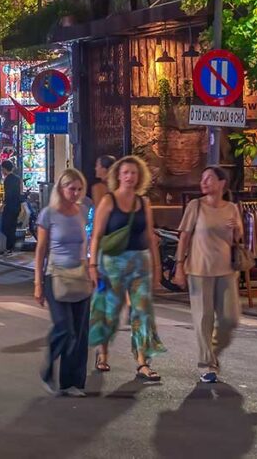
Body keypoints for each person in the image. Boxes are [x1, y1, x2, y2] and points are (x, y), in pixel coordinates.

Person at [88, 156, 165, 382]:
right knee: (109, 311)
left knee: (142, 312)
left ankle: (143, 362)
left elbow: (149, 235)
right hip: (112, 262)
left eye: (134, 173)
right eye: (126, 173)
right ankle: (102, 353)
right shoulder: (108, 201)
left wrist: (157, 267)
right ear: (118, 176)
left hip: (139, 262)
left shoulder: (143, 203)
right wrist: (93, 264)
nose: (130, 176)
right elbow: (97, 235)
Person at [173, 166, 242, 384]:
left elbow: (237, 240)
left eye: (209, 178)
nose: (204, 182)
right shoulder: (196, 206)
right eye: (202, 178)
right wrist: (179, 266)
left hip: (226, 271)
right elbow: (184, 237)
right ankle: (207, 364)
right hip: (199, 269)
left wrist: (237, 228)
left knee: (230, 319)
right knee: (203, 318)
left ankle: (212, 352)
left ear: (222, 183)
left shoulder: (231, 208)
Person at [34, 169, 90, 397]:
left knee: (80, 331)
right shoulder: (49, 214)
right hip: (55, 274)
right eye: (71, 189)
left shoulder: (82, 211)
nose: (75, 193)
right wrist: (37, 282)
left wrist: (90, 268)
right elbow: (40, 250)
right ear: (61, 188)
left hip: (79, 274)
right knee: (64, 327)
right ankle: (48, 367)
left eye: (78, 189)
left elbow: (85, 243)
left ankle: (71, 382)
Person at [0, 160, 23, 256]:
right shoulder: (18, 179)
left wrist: (3, 205)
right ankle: (11, 247)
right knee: (12, 227)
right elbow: (21, 192)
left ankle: (9, 247)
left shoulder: (7, 180)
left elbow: (8, 194)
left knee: (5, 227)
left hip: (9, 206)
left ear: (4, 169)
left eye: (2, 169)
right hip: (16, 205)